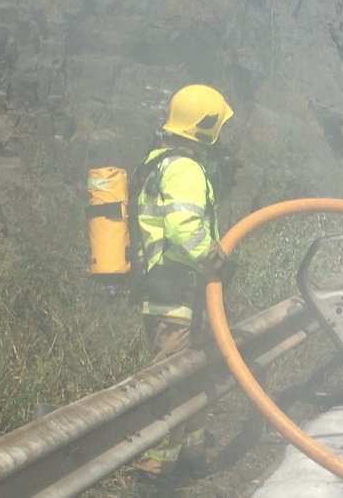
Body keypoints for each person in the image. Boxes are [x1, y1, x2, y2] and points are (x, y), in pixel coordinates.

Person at [130, 84, 235, 479]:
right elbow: (185, 230)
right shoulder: (185, 168)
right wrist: (217, 263)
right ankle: (155, 467)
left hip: (168, 294)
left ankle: (189, 459)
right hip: (178, 297)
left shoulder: (157, 161)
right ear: (205, 128)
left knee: (193, 376)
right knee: (172, 381)